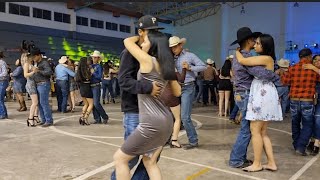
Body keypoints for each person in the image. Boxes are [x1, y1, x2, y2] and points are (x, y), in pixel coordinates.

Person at [113, 31, 181, 179]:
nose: (143, 42)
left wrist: (139, 36)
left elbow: (127, 41)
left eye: (146, 40)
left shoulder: (148, 61)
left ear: (153, 45)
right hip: (166, 121)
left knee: (119, 159)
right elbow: (177, 92)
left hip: (151, 122)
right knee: (150, 162)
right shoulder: (166, 66)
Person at [111, 15, 163, 180]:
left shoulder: (157, 52)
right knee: (130, 157)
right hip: (135, 110)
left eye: (156, 32)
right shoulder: (129, 53)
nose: (154, 36)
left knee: (151, 158)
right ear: (140, 32)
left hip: (154, 113)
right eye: (150, 32)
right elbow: (124, 82)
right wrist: (148, 88)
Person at [229, 27, 280, 168]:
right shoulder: (245, 57)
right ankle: (236, 160)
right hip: (245, 94)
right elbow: (262, 74)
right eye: (253, 40)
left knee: (255, 130)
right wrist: (275, 75)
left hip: (245, 94)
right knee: (248, 130)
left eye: (257, 42)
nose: (255, 42)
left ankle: (242, 159)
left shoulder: (243, 55)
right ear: (248, 41)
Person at [169, 36, 206, 150]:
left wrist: (190, 67)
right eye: (172, 48)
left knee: (184, 117)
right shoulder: (171, 58)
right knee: (171, 116)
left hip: (188, 87)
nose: (173, 49)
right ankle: (171, 139)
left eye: (175, 47)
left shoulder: (190, 56)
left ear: (181, 45)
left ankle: (193, 141)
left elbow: (203, 66)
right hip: (174, 88)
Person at [285, 50, 319, 155]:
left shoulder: (292, 68)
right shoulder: (313, 70)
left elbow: (285, 81)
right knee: (308, 124)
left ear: (299, 57)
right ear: (309, 57)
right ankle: (300, 146)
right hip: (307, 101)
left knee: (295, 123)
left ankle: (296, 145)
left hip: (294, 100)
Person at [28, 47, 53, 127]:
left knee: (44, 103)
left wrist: (39, 71)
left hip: (43, 84)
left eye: (34, 56)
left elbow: (49, 72)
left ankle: (48, 120)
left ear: (38, 55)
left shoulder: (44, 63)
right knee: (39, 103)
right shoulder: (37, 63)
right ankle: (44, 119)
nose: (33, 58)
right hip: (38, 84)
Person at [90, 50, 109, 124]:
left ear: (98, 58)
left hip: (96, 85)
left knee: (96, 103)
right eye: (93, 57)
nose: (94, 59)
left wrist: (93, 73)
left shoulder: (99, 66)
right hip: (91, 86)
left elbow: (99, 77)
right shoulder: (91, 66)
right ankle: (97, 119)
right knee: (93, 104)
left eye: (95, 57)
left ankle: (104, 116)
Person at [75, 57, 93, 125]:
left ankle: (82, 117)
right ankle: (85, 118)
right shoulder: (87, 70)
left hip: (82, 88)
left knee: (86, 104)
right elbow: (89, 78)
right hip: (87, 87)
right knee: (91, 104)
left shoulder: (79, 71)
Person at [24, 54, 40, 126]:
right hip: (30, 84)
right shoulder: (27, 64)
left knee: (37, 102)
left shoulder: (33, 64)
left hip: (34, 83)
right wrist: (33, 71)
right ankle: (30, 118)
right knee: (35, 102)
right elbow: (25, 75)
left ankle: (35, 116)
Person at [0, 51, 9, 119]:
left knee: (0, 99)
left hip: (2, 82)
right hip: (1, 81)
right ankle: (4, 113)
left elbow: (5, 73)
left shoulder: (2, 62)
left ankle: (3, 114)